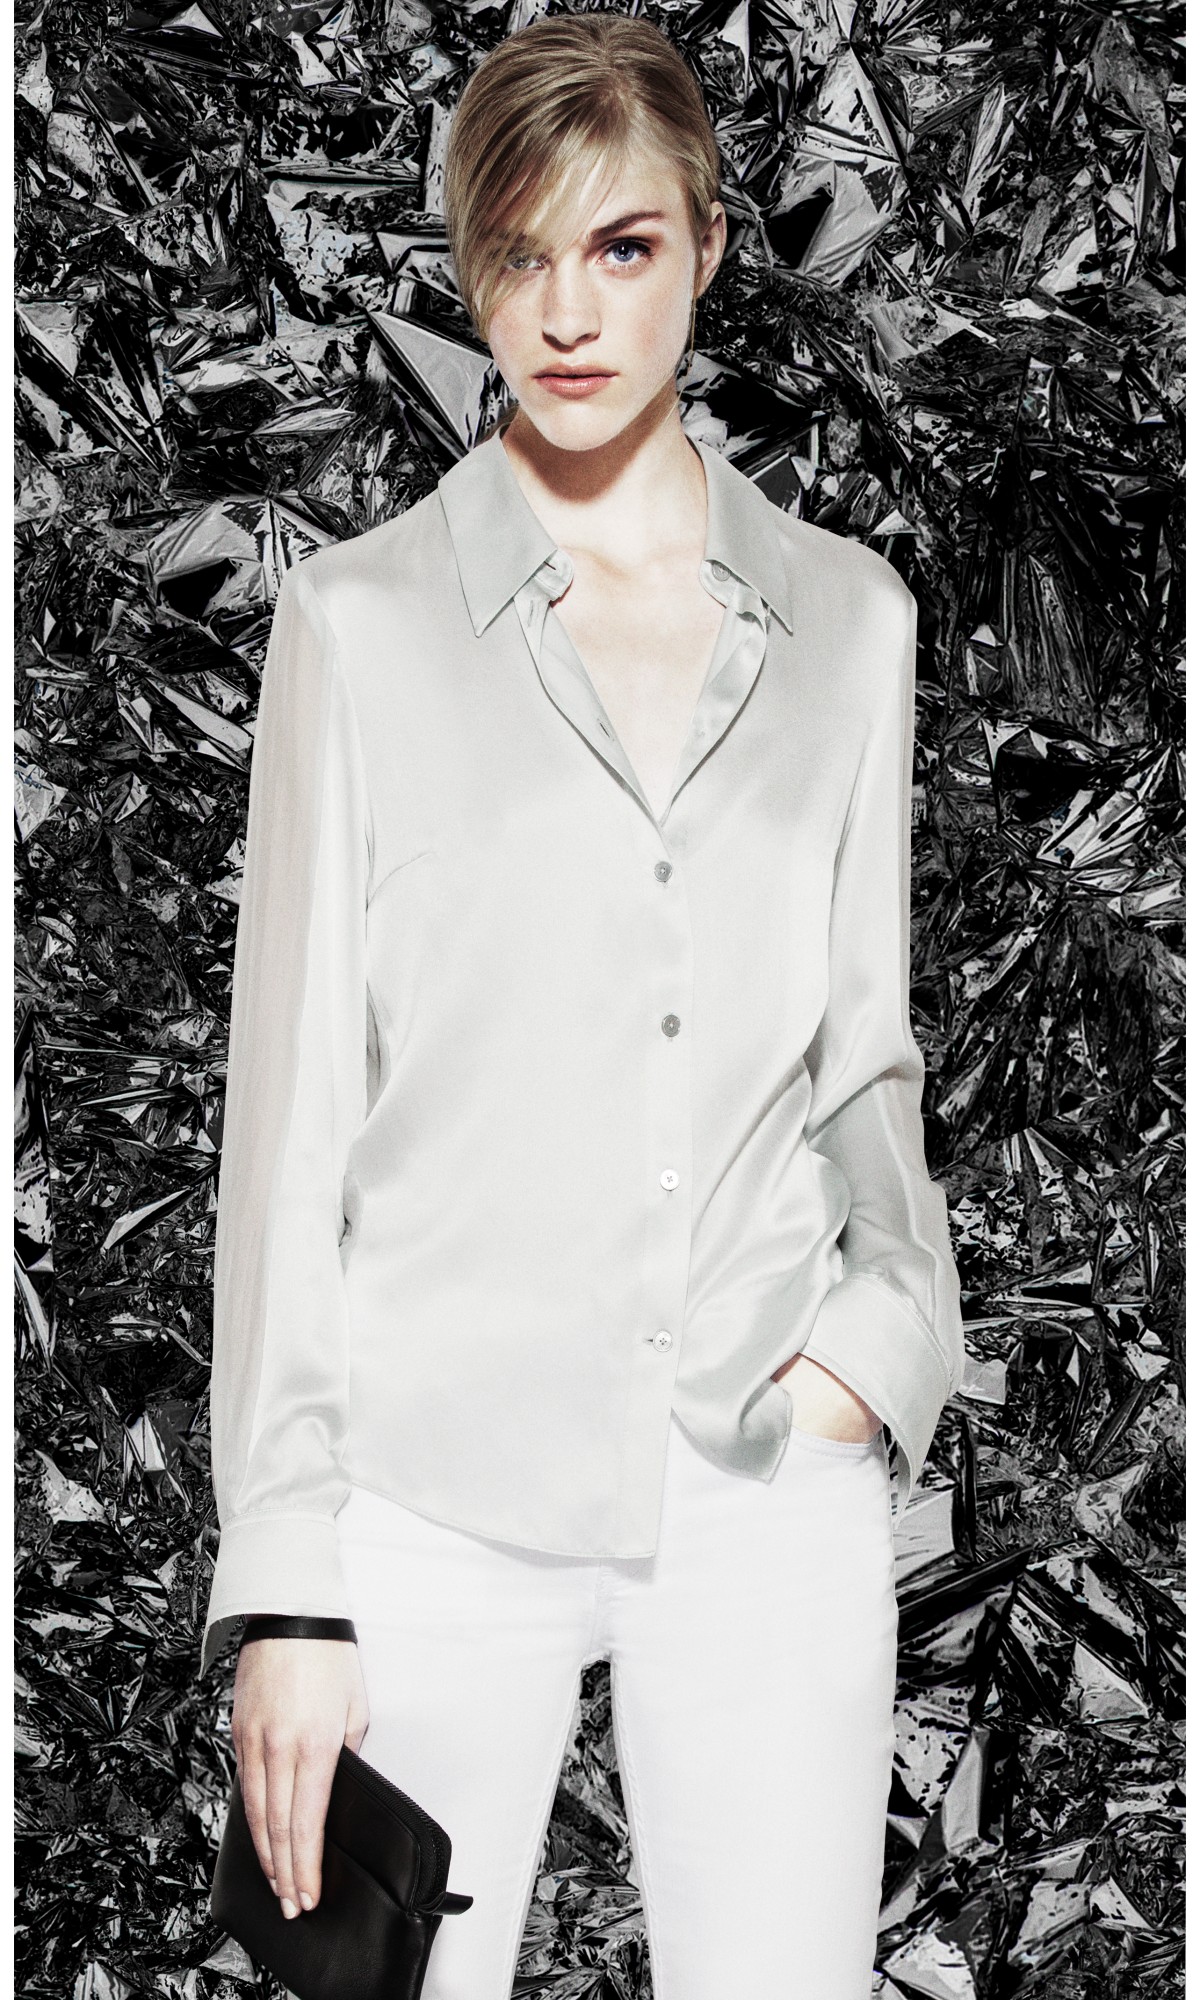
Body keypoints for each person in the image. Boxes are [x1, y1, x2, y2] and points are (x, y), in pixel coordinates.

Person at [202, 14, 964, 1997]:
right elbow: (287, 1126)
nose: (566, 312)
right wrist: (287, 1587)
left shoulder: (851, 624)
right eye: (520, 254)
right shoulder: (360, 625)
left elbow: (867, 1056)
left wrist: (881, 1342)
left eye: (620, 247)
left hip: (764, 1477)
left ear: (706, 246)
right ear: (472, 270)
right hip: (434, 1494)